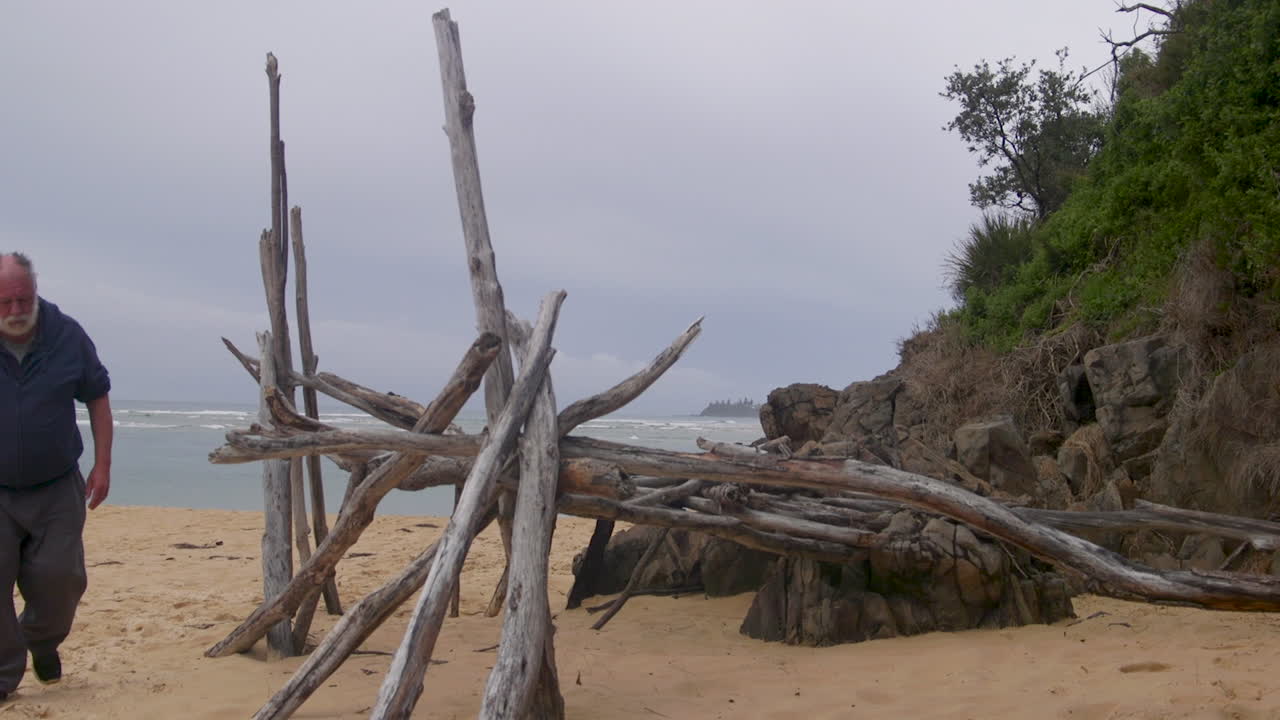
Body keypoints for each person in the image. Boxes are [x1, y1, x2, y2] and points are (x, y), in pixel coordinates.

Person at [0, 253, 112, 700]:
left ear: (35, 290)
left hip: (57, 484)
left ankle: (41, 642)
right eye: (4, 301)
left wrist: (102, 465)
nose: (14, 310)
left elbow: (98, 398)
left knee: (61, 581)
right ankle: (5, 678)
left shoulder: (67, 335)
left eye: (21, 299)